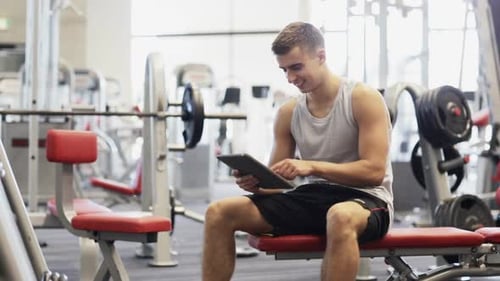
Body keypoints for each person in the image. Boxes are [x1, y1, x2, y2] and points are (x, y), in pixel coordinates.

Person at [202, 21, 393, 281]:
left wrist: (312, 166)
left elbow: (373, 172)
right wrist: (257, 183)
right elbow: (278, 184)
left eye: (296, 67)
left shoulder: (362, 99)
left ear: (321, 56)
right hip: (313, 197)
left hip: (366, 200)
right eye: (284, 70)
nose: (290, 78)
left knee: (340, 216)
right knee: (219, 212)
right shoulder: (289, 112)